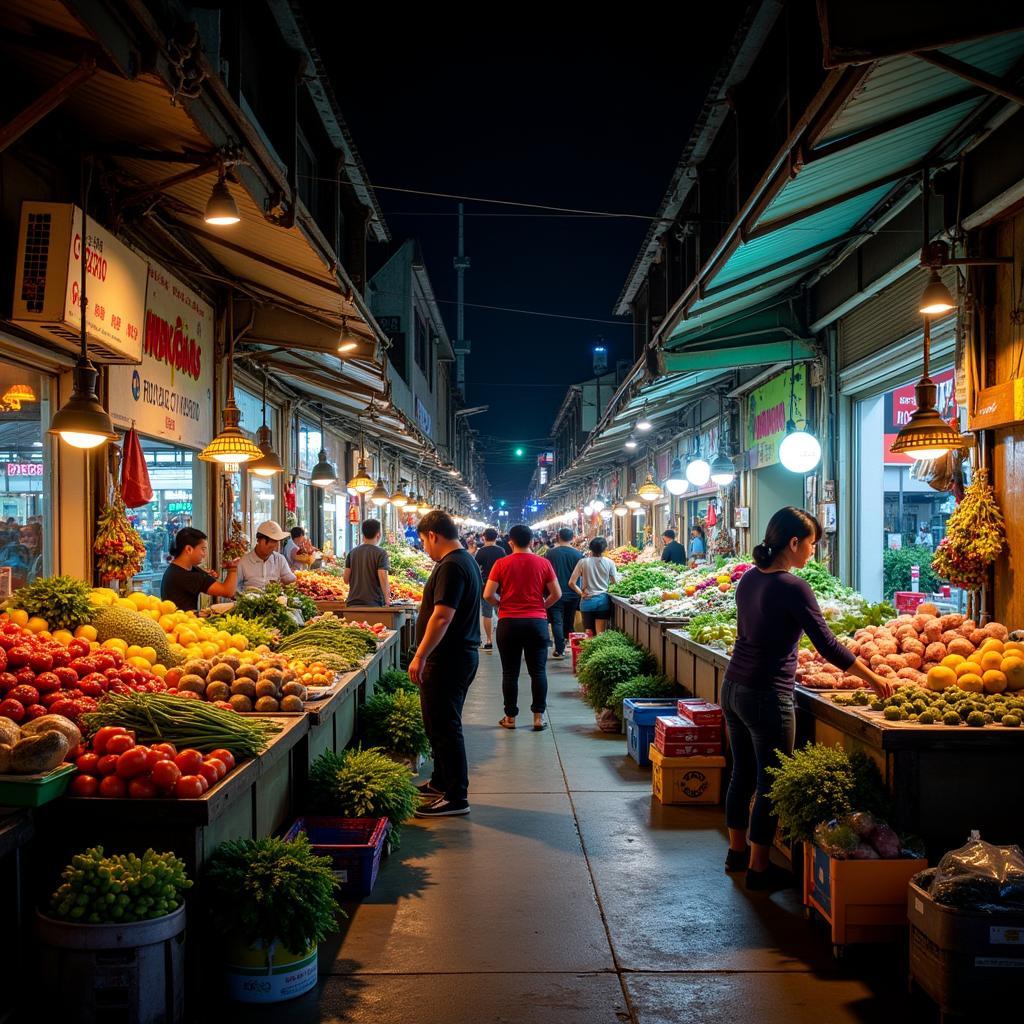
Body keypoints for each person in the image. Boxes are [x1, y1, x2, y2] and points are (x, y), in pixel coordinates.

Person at [722, 507, 893, 891]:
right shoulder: (792, 586)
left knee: (742, 773)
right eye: (812, 543)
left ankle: (736, 853)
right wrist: (872, 677)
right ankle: (759, 868)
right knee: (771, 781)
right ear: (794, 542)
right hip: (766, 693)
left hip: (733, 686)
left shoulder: (749, 580)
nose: (814, 552)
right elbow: (828, 645)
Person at [409, 511, 482, 818]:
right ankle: (441, 781)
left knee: (445, 726)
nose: (425, 547)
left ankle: (456, 796)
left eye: (424, 540)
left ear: (434, 535)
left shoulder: (451, 566)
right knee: (437, 725)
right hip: (457, 656)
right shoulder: (464, 561)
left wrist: (421, 654)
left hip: (448, 658)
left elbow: (442, 616)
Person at [484, 523, 561, 731]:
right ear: (533, 541)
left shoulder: (501, 563)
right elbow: (557, 593)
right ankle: (538, 718)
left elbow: (488, 594)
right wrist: (540, 607)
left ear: (510, 542)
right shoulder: (543, 563)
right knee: (538, 671)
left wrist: (501, 605)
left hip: (509, 622)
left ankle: (510, 718)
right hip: (536, 623)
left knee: (510, 672)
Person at [160, 527, 238, 611]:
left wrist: (209, 579)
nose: (204, 555)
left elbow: (205, 579)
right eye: (203, 549)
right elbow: (228, 592)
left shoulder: (176, 569)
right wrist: (233, 569)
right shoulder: (187, 576)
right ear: (189, 549)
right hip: (184, 622)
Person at [545, 527, 583, 659]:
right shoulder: (579, 554)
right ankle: (568, 645)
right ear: (573, 538)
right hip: (573, 593)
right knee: (569, 620)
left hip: (554, 593)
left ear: (558, 537)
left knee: (556, 621)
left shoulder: (550, 554)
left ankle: (559, 649)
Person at [568, 536, 618, 634]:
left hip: (587, 601)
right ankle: (600, 649)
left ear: (590, 548)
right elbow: (614, 583)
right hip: (603, 601)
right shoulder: (610, 563)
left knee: (589, 632)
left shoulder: (583, 562)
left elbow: (571, 583)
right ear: (605, 549)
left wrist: (581, 593)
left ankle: (590, 649)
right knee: (600, 632)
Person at [236, 521, 297, 592]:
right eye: (271, 543)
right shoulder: (243, 562)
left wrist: (292, 579)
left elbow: (289, 579)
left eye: (276, 542)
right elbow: (235, 589)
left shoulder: (279, 559)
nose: (275, 547)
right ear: (259, 540)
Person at [344, 519, 391, 607]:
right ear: (378, 534)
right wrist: (387, 599)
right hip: (373, 604)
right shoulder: (381, 553)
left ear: (363, 535)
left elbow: (345, 579)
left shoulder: (352, 553)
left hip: (352, 603)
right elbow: (382, 576)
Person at [474, 528, 505, 651]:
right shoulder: (501, 551)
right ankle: (504, 639)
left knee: (487, 614)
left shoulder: (481, 551)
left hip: (486, 585)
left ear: (484, 537)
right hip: (500, 586)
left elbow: (476, 568)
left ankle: (489, 641)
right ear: (496, 537)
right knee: (502, 612)